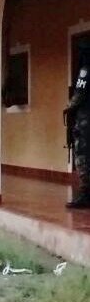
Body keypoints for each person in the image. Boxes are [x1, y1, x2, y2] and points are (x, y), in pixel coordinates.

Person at [66, 44, 90, 208]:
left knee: (82, 156)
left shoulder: (85, 70)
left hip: (85, 120)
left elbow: (79, 94)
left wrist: (69, 107)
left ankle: (85, 194)